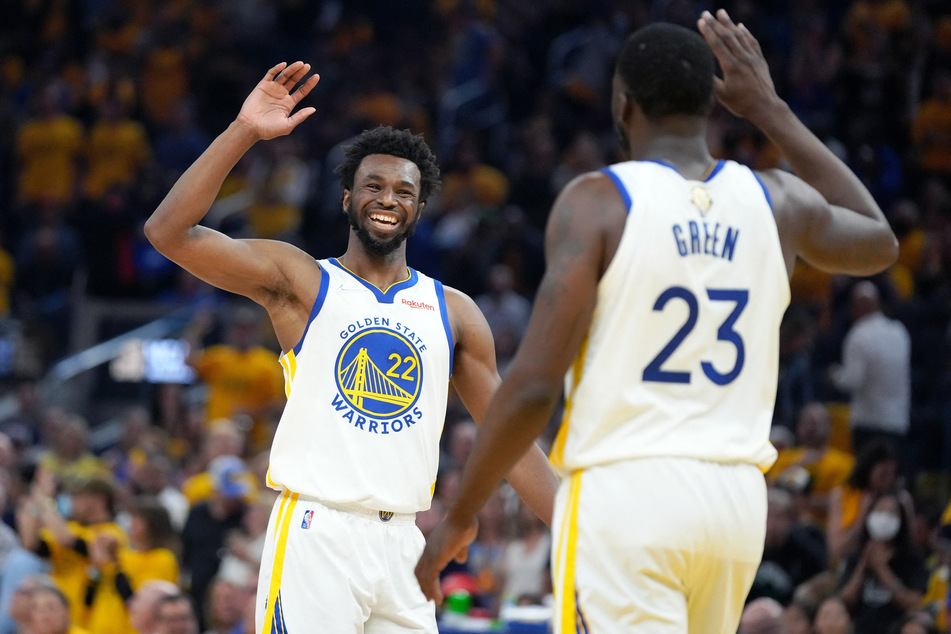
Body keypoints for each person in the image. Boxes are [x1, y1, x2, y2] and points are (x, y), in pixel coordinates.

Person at [415, 10, 898, 633]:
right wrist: (772, 111)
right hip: (734, 505)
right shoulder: (777, 201)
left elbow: (533, 386)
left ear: (622, 102)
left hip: (629, 495)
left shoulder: (598, 202)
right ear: (714, 105)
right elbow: (880, 240)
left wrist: (460, 513)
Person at [144, 60, 558, 632]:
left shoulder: (456, 311)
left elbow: (508, 437)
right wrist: (243, 131)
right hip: (318, 534)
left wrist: (576, 533)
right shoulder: (301, 280)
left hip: (405, 543)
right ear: (346, 199)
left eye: (403, 190)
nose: (388, 198)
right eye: (374, 185)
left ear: (419, 207)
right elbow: (169, 234)